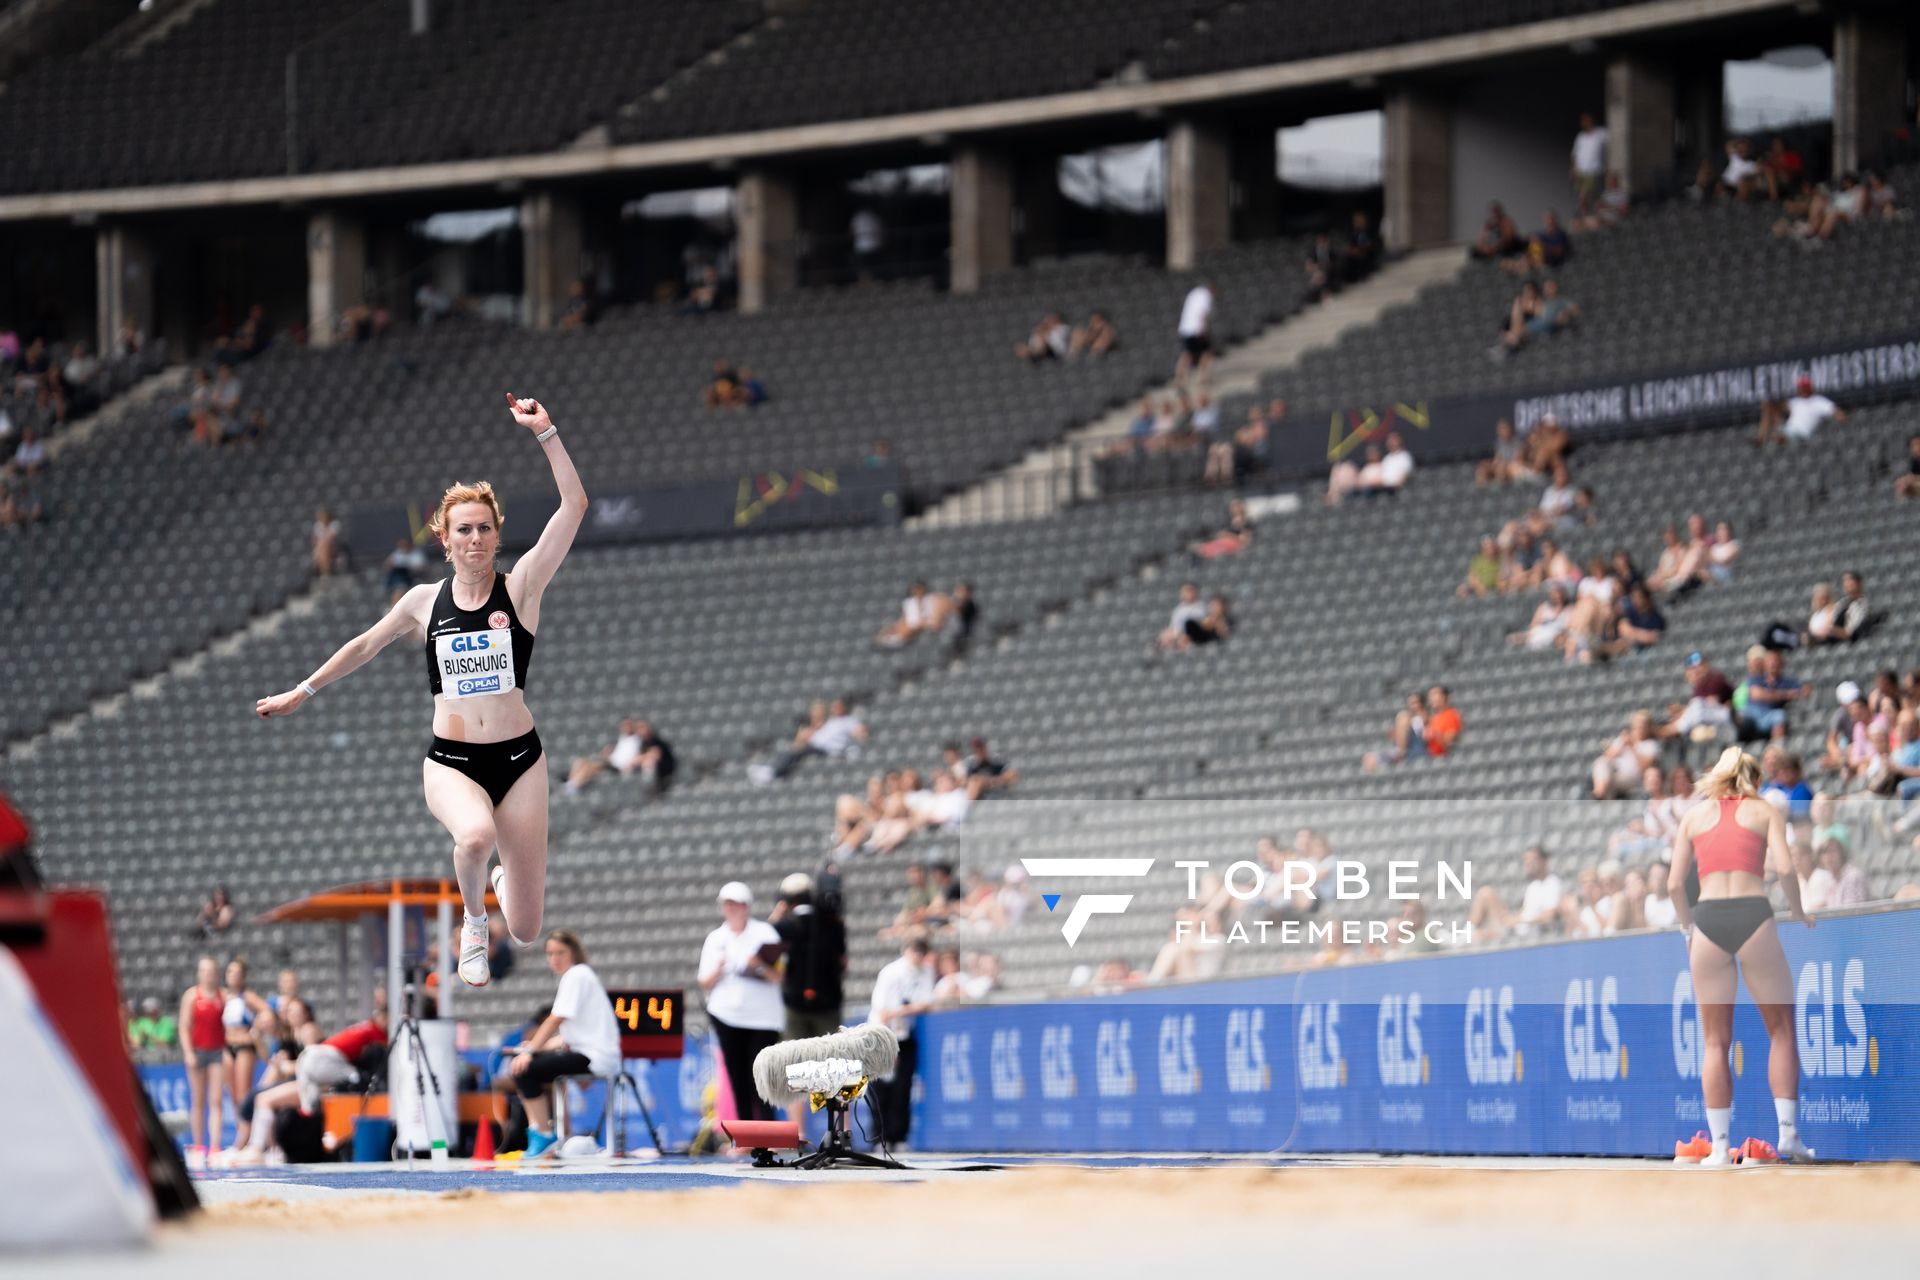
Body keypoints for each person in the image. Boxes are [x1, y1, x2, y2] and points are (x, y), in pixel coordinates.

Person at [257, 394, 588, 987]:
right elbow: (363, 645)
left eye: (485, 528)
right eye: (464, 529)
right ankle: (472, 922)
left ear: (496, 534)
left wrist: (547, 434)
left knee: (531, 927)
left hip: (520, 761)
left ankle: (500, 892)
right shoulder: (421, 602)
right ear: (445, 537)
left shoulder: (522, 589)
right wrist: (302, 691)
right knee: (475, 835)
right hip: (452, 761)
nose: (475, 539)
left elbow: (575, 504)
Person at [1669, 747, 1815, 1165]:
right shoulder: (1765, 809)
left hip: (1708, 920)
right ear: (1752, 777)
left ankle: (1717, 1148)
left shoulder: (1694, 817)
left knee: (1715, 1042)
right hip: (1753, 913)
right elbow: (1785, 869)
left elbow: (1675, 885)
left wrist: (1686, 927)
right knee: (1782, 1030)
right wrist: (1797, 911)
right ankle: (1787, 1135)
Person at [503, 930, 622, 1158]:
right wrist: (536, 1047)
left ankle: (542, 1133)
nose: (554, 959)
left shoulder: (576, 975)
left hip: (594, 1056)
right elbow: (569, 1036)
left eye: (560, 952)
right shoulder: (582, 976)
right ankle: (544, 1132)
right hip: (592, 1053)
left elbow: (556, 1018)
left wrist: (530, 1051)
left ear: (573, 953)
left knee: (524, 1068)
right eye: (550, 953)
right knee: (530, 1065)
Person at [235, 1008, 388, 1165]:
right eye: (291, 1013)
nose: (293, 1015)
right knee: (260, 1097)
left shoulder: (310, 1032)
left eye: (297, 1012)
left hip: (321, 1083)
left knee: (265, 1100)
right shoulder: (288, 1036)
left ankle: (259, 1149)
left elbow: (311, 1064)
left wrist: (286, 1066)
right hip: (310, 1079)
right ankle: (255, 1147)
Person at [698, 882, 785, 1125]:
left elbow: (779, 975)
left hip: (762, 1018)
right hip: (726, 1014)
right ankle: (745, 1133)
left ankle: (768, 1130)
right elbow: (704, 981)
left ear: (745, 906)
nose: (731, 909)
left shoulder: (765, 933)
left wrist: (757, 964)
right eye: (727, 904)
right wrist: (720, 968)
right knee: (737, 1077)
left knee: (761, 1076)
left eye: (735, 904)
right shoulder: (716, 938)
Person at [867, 936, 936, 1148]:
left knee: (903, 1088)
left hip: (905, 1035)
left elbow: (926, 1004)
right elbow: (883, 1010)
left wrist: (902, 1011)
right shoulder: (891, 972)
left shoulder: (925, 972)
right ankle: (881, 1136)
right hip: (883, 1035)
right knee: (881, 1087)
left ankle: (899, 1136)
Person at [769, 872, 847, 1041]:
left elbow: (767, 954)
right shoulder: (832, 924)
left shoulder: (782, 927)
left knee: (796, 1058)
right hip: (828, 1001)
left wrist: (775, 919)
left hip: (794, 1003)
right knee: (830, 1057)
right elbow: (843, 962)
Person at [178, 957, 228, 1170]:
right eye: (204, 970)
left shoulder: (222, 996)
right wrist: (188, 1052)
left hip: (217, 1052)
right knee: (198, 1100)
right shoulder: (192, 996)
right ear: (199, 973)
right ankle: (199, 1146)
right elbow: (184, 1026)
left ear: (216, 973)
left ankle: (215, 1147)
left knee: (215, 1100)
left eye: (211, 970)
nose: (208, 974)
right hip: (197, 1052)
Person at [221, 957, 276, 1152]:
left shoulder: (248, 996)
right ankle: (242, 1134)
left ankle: (249, 1138)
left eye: (237, 973)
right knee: (234, 1095)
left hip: (244, 1046)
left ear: (243, 977)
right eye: (230, 972)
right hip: (228, 1046)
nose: (233, 976)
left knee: (244, 1095)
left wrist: (255, 1031)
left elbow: (268, 1012)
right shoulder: (224, 996)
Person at [751, 698, 867, 783]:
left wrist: (853, 745)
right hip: (817, 748)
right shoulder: (830, 723)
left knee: (799, 751)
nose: (835, 709)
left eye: (838, 706)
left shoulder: (848, 721)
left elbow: (860, 733)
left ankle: (772, 772)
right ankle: (774, 771)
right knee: (794, 750)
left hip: (829, 750)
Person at [1756, 375, 1846, 445]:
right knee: (1768, 408)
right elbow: (1781, 407)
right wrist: (1770, 404)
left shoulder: (1819, 401)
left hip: (1802, 433)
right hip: (1788, 429)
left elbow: (1837, 413)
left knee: (1779, 436)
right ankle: (1762, 438)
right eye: (1800, 387)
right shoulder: (1796, 401)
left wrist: (1839, 425)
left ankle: (1769, 438)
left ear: (1808, 388)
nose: (1801, 389)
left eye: (1803, 387)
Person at [1173, 278, 1215, 390]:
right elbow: (1202, 313)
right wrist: (1203, 329)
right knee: (1206, 353)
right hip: (1197, 329)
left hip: (1185, 328)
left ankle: (1179, 378)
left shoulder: (1193, 293)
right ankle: (1202, 377)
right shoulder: (1206, 295)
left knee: (1187, 353)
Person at [1571, 113, 1608, 214]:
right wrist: (1574, 170)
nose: (1584, 123)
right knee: (1582, 196)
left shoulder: (1601, 133)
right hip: (1581, 172)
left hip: (1594, 171)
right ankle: (1585, 214)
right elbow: (1575, 155)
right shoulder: (1581, 137)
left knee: (1586, 194)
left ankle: (1586, 214)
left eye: (1586, 120)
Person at [310, 507, 344, 578]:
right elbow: (314, 540)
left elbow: (331, 538)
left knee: (323, 544)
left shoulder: (335, 524)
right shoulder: (318, 525)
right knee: (322, 546)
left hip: (335, 548)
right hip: (322, 549)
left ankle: (324, 572)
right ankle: (325, 572)